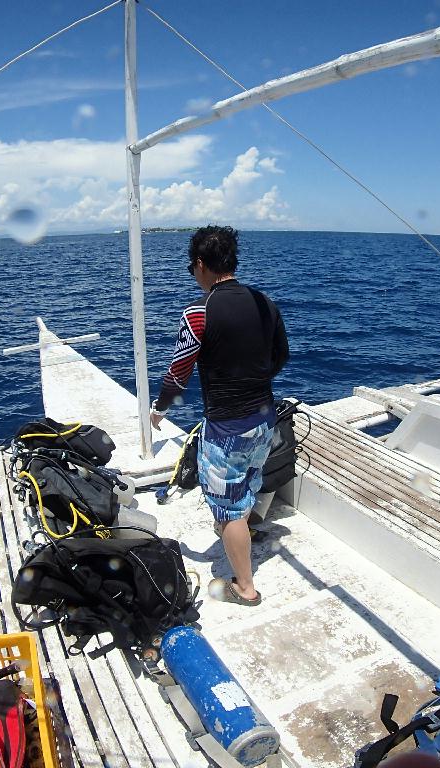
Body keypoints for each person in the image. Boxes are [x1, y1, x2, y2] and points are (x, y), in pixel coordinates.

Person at [150, 225, 289, 606]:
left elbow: (178, 372)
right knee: (248, 483)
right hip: (265, 419)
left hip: (227, 426)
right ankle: (244, 531)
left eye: (191, 267)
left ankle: (245, 587)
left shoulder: (199, 313)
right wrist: (253, 380)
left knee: (228, 509)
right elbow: (281, 357)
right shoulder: (265, 303)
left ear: (200, 264)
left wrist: (159, 409)